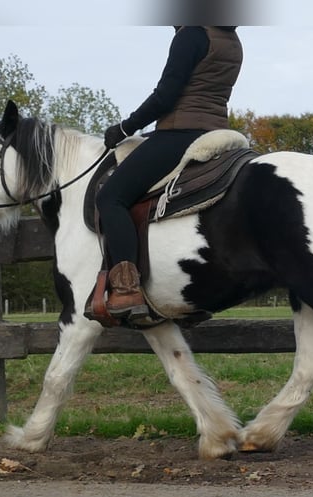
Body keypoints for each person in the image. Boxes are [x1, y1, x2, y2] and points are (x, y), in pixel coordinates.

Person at [94, 26, 243, 323]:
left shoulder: (193, 34)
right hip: (215, 129)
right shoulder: (231, 39)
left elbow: (166, 96)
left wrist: (125, 128)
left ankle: (126, 288)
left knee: (110, 197)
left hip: (181, 132)